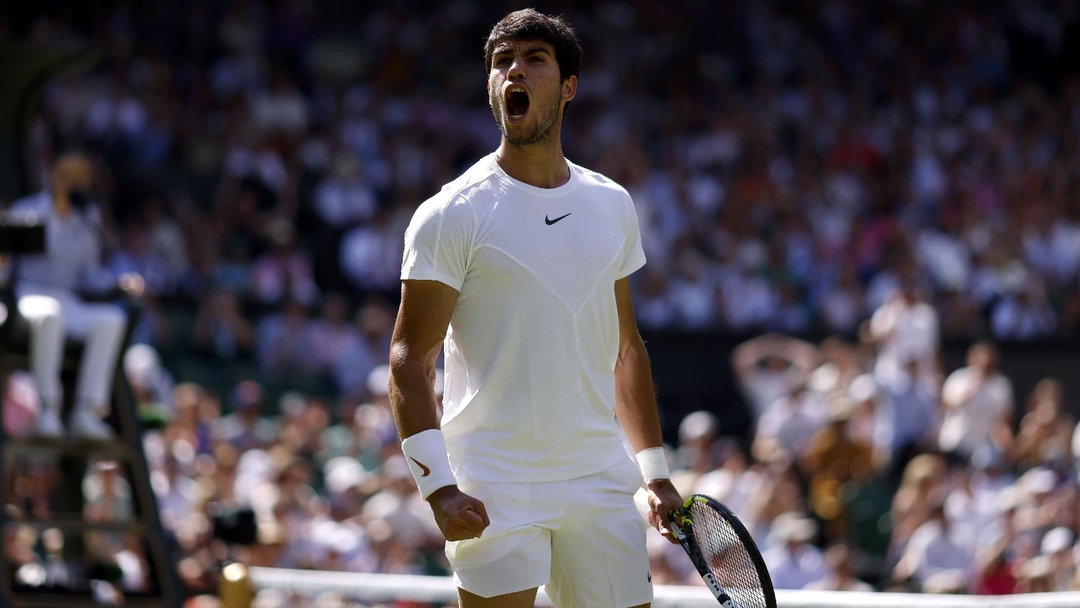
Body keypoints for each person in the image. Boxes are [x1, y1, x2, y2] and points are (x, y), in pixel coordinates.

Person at [388, 10, 683, 607]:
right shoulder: (451, 213)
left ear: (568, 86)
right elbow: (408, 359)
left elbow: (625, 349)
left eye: (533, 58)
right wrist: (438, 487)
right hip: (493, 480)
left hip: (599, 476)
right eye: (501, 61)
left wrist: (654, 471)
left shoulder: (613, 204)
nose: (513, 70)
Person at [6, 152, 137, 439]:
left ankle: (86, 412)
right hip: (27, 296)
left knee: (111, 319)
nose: (73, 183)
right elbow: (7, 266)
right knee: (50, 314)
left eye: (80, 179)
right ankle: (47, 410)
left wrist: (118, 283)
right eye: (68, 176)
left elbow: (89, 274)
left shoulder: (88, 219)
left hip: (68, 299)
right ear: (54, 177)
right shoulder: (27, 211)